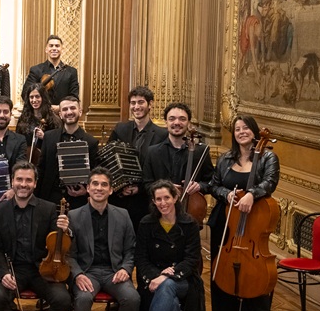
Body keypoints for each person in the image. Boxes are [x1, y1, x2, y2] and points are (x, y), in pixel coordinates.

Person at [208, 115, 279, 311]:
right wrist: (226, 194)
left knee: (256, 280)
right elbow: (214, 185)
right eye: (237, 129)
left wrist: (252, 194)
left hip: (253, 225)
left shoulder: (268, 156)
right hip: (227, 224)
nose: (241, 132)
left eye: (246, 128)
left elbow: (270, 182)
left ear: (255, 131)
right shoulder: (226, 158)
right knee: (223, 274)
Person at [0, 162, 72, 311]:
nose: (23, 184)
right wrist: (3, 273)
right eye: (19, 179)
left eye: (28, 180)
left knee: (63, 300)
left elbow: (59, 244)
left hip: (41, 269)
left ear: (35, 184)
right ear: (12, 181)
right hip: (12, 268)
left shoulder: (49, 209)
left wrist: (66, 230)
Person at [131, 180, 208, 311]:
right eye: (158, 199)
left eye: (167, 197)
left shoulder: (189, 223)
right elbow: (141, 258)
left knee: (168, 287)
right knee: (170, 303)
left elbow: (192, 260)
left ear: (175, 198)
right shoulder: (147, 223)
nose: (163, 202)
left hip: (183, 281)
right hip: (152, 281)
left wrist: (167, 275)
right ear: (153, 202)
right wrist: (155, 277)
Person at [67, 167, 140, 311]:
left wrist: (126, 269)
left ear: (110, 190)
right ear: (88, 188)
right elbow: (68, 255)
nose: (99, 188)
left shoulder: (123, 215)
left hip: (113, 271)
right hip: (86, 272)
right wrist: (78, 275)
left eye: (104, 185)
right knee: (82, 299)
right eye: (95, 184)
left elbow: (131, 249)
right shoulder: (74, 215)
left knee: (133, 298)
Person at [107, 86, 168, 229]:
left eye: (141, 102)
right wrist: (119, 187)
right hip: (120, 198)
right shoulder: (120, 129)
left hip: (145, 200)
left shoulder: (161, 135)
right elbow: (108, 160)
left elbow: (160, 171)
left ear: (150, 104)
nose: (136, 107)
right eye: (133, 103)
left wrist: (139, 189)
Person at [141, 103, 213, 219]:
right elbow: (146, 184)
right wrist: (164, 189)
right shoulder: (153, 152)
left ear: (189, 123)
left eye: (182, 119)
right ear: (166, 122)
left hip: (190, 214)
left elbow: (211, 182)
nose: (177, 123)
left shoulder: (200, 151)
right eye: (172, 119)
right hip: (159, 214)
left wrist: (199, 186)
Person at [36, 95, 99, 210]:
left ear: (80, 111)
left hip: (79, 201)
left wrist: (86, 191)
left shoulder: (91, 142)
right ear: (60, 114)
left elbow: (94, 174)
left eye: (73, 108)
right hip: (50, 199)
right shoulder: (49, 137)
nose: (69, 112)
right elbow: (41, 168)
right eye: (65, 109)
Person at [22, 35, 79, 105]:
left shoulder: (71, 72)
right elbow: (25, 93)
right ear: (46, 49)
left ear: (62, 49)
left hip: (63, 113)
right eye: (51, 46)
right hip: (42, 113)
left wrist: (59, 107)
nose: (54, 48)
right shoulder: (35, 70)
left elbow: (74, 96)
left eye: (57, 46)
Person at [15, 84, 62, 149]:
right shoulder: (23, 119)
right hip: (26, 156)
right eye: (31, 97)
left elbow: (58, 144)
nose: (34, 100)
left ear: (43, 98)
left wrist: (44, 137)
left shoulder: (54, 120)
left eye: (37, 96)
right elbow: (18, 140)